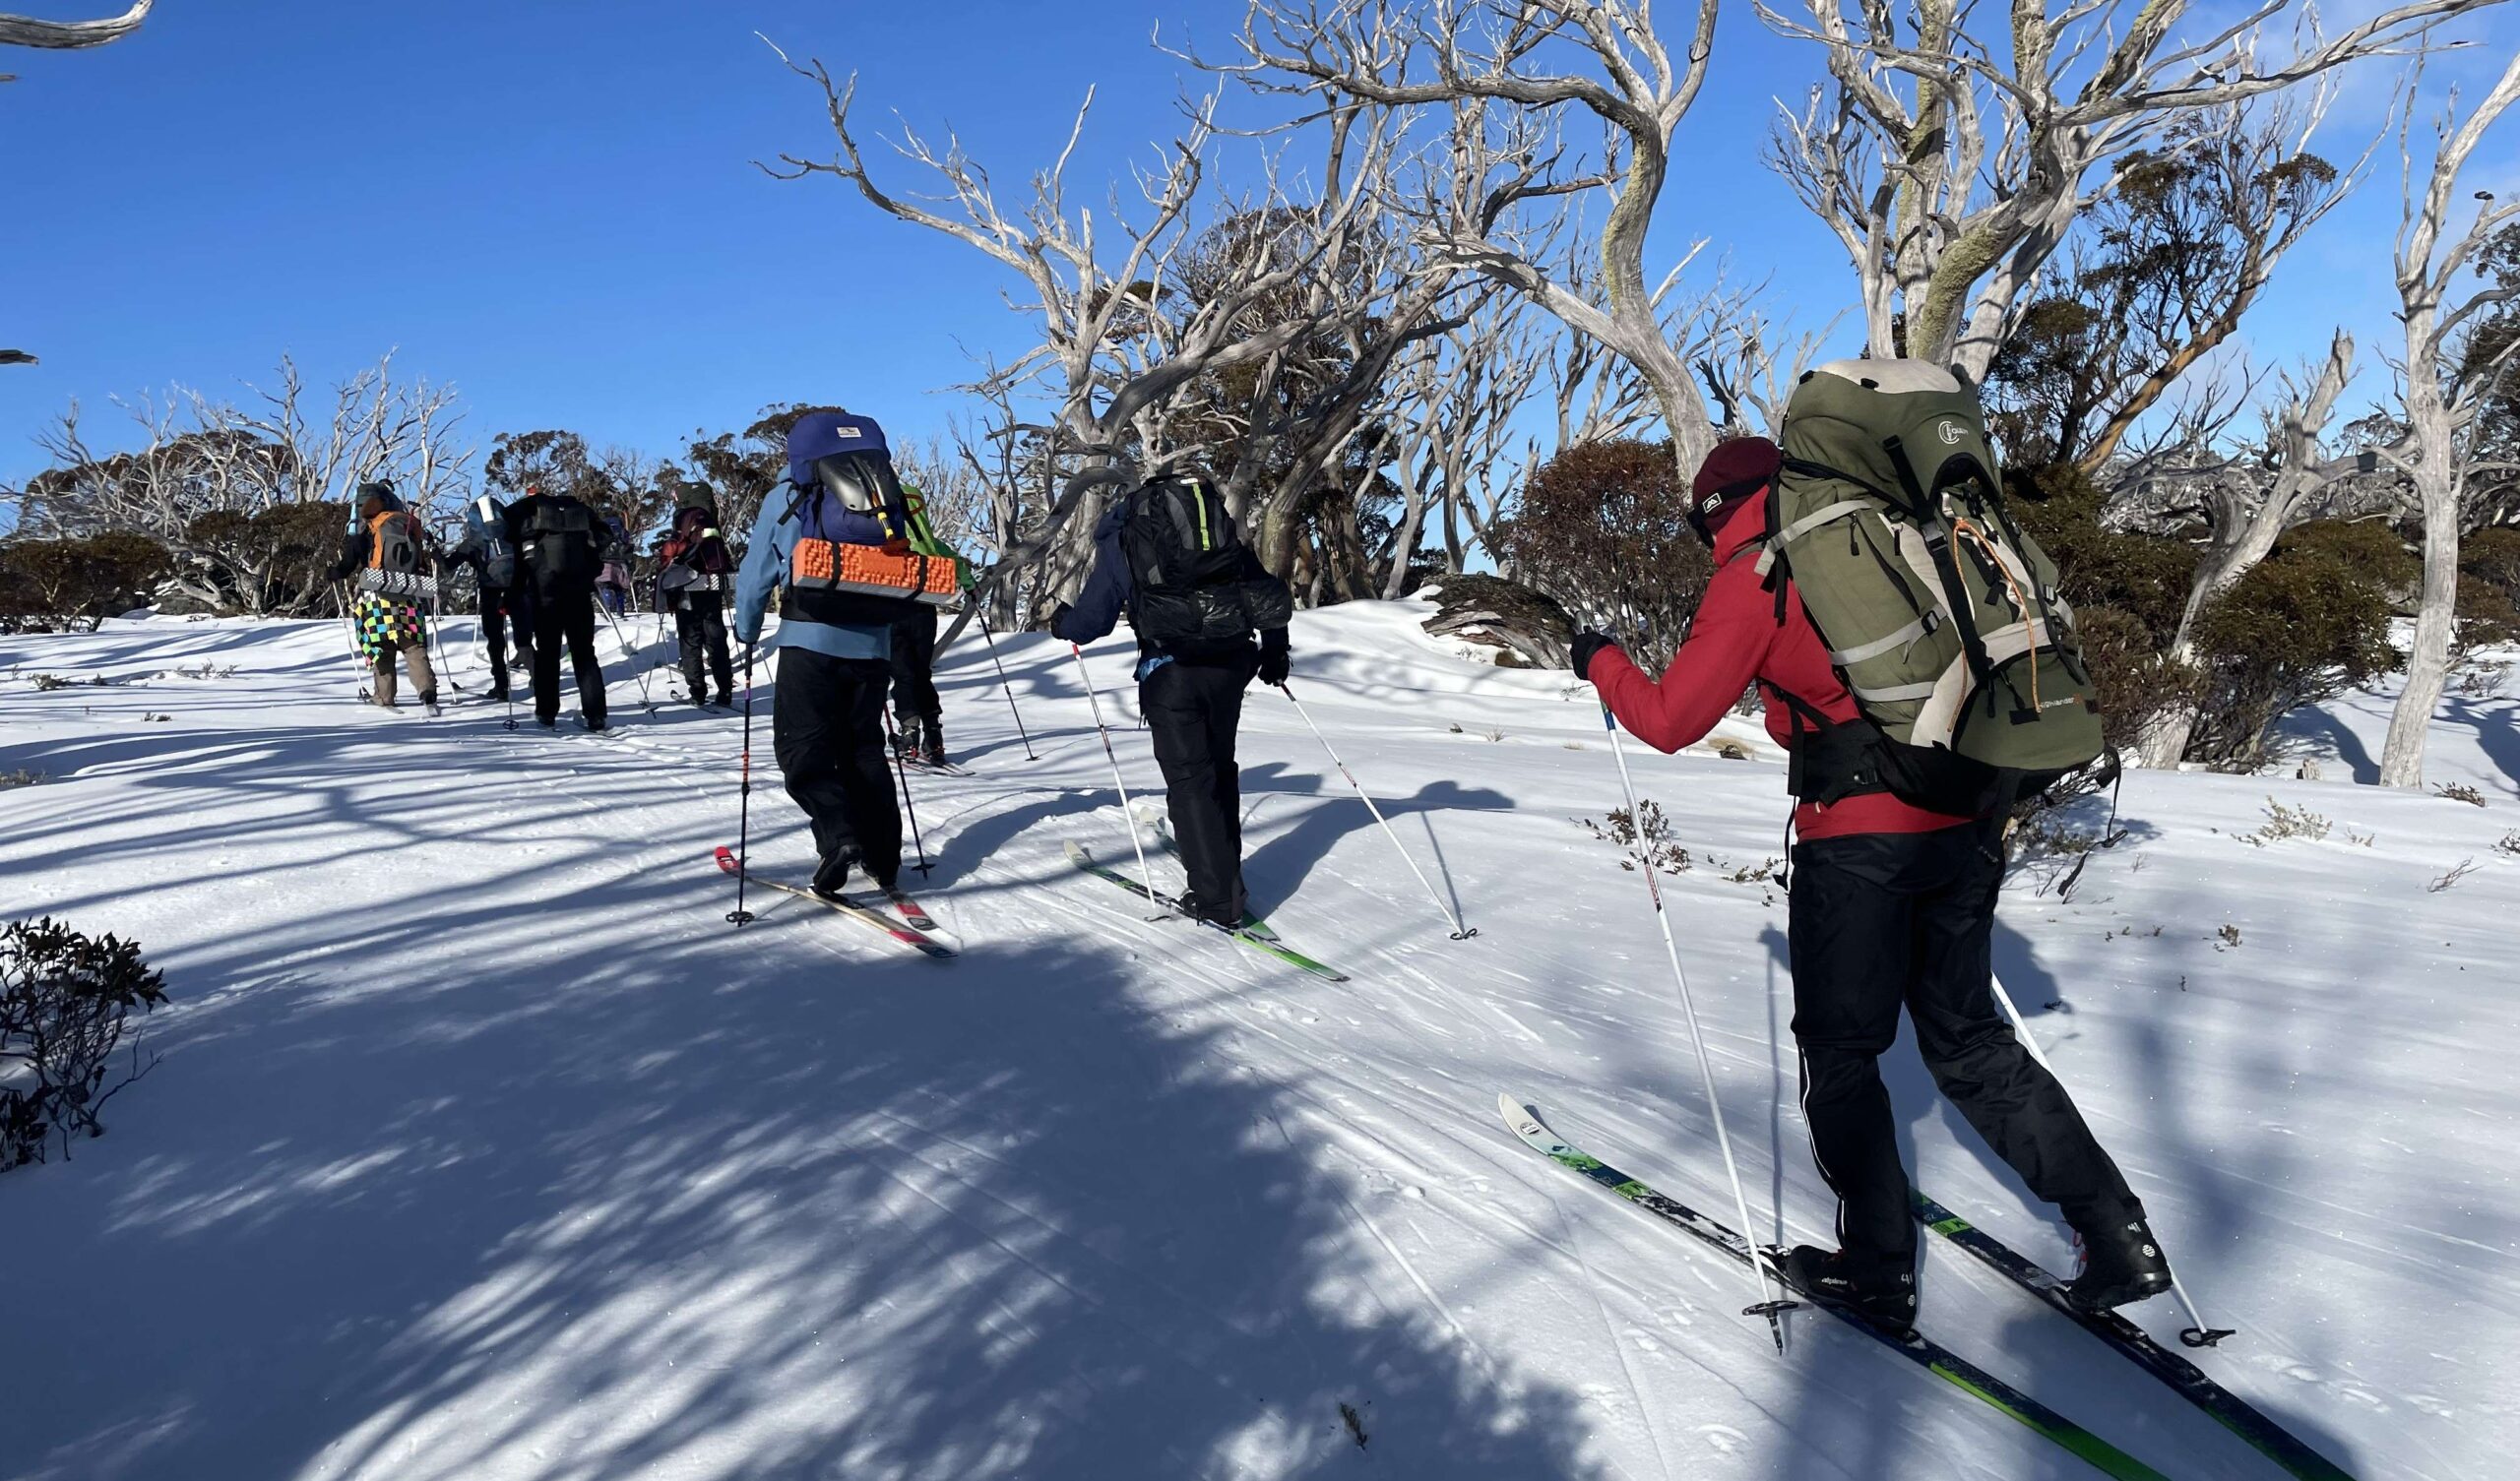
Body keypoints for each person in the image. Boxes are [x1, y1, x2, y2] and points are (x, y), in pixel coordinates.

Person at [1569, 433, 2168, 1332]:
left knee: (1841, 1056)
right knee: (1969, 1042)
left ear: (1718, 510)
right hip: (1965, 820)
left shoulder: (1756, 575)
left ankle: (1877, 1272)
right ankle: (2117, 1234)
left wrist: (1598, 662)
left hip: (1857, 845)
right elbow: (1819, 715)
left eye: (1705, 524)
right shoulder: (1896, 547)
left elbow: (1666, 720)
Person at [1049, 471, 1292, 930]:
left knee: (1189, 781)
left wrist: (1063, 624)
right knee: (1220, 768)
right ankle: (1227, 874)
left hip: (1172, 670)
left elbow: (1094, 619)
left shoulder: (1127, 535)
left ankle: (1217, 899)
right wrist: (1276, 650)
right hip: (1231, 664)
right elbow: (1264, 594)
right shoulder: (1218, 535)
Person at [731, 408, 924, 899]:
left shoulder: (788, 497)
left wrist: (747, 630)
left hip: (808, 641)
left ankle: (839, 840)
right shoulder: (884, 496)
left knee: (803, 750)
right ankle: (885, 859)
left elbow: (757, 574)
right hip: (873, 644)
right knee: (863, 749)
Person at [500, 484, 610, 731]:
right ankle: (596, 715)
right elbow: (598, 556)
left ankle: (546, 712)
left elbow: (521, 567)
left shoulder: (530, 526)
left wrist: (511, 596)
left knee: (548, 654)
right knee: (584, 654)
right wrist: (587, 577)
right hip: (579, 595)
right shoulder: (580, 522)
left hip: (545, 595)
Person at [328, 481, 439, 713]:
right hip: (409, 594)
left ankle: (384, 696)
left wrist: (334, 573)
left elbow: (347, 565)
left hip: (378, 596)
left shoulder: (366, 530)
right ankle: (427, 690)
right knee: (413, 646)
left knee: (382, 647)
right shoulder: (407, 524)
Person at [887, 477, 967, 766]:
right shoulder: (932, 543)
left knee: (903, 673)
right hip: (925, 606)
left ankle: (909, 731)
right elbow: (956, 562)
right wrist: (969, 584)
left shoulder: (885, 534)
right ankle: (934, 736)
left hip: (891, 604)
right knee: (921, 672)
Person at [449, 492, 534, 704]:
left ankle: (501, 686)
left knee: (495, 641)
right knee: (523, 640)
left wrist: (433, 553)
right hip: (518, 589)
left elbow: (447, 566)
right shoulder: (512, 535)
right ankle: (540, 680)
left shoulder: (472, 542)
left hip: (490, 594)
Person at [657, 496, 735, 709]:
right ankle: (725, 690)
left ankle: (697, 692)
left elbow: (668, 556)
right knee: (716, 639)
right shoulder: (710, 525)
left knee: (691, 641)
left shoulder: (682, 525)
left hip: (688, 590)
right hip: (713, 584)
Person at [595, 513, 636, 617]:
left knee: (605, 585)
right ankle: (620, 610)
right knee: (618, 587)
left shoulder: (600, 530)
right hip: (620, 562)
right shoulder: (622, 530)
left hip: (604, 562)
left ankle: (607, 610)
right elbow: (627, 542)